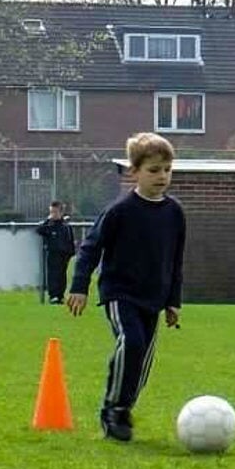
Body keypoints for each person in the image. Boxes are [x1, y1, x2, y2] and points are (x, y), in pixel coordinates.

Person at [67, 133, 185, 442]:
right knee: (131, 342)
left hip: (154, 297)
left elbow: (176, 259)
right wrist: (79, 287)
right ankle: (113, 409)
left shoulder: (175, 213)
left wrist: (174, 300)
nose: (162, 176)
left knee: (142, 359)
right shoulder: (120, 210)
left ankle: (125, 407)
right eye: (154, 170)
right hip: (120, 293)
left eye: (167, 169)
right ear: (134, 172)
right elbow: (90, 249)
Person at [35, 200, 76, 304]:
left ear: (61, 213)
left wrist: (70, 252)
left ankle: (60, 295)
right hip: (53, 253)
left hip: (63, 254)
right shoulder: (49, 225)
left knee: (62, 275)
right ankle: (53, 295)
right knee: (53, 275)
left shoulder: (65, 226)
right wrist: (47, 220)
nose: (53, 215)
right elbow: (39, 230)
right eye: (51, 212)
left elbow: (70, 240)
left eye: (55, 212)